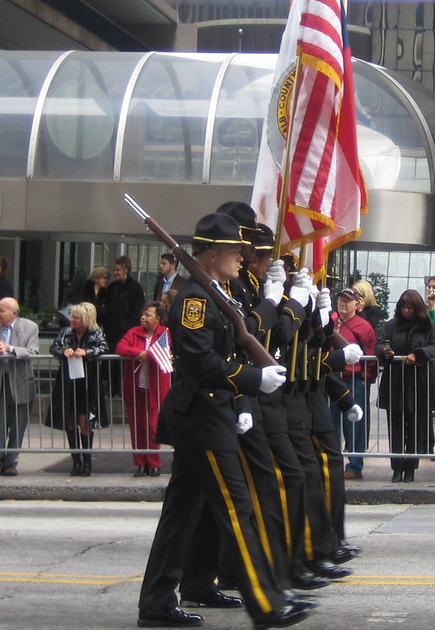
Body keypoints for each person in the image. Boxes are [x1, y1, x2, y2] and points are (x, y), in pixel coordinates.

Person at [137, 212, 312, 629]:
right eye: (235, 251)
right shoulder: (195, 298)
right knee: (238, 510)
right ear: (212, 253)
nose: (242, 257)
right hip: (203, 418)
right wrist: (253, 378)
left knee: (181, 516)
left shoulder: (217, 292)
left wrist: (277, 304)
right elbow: (200, 360)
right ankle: (266, 603)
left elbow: (239, 334)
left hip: (215, 414)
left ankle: (159, 602)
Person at [377, 289, 435, 483]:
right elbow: (379, 344)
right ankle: (396, 467)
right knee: (396, 427)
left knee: (416, 427)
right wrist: (386, 352)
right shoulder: (392, 325)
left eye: (410, 307)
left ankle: (411, 468)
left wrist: (418, 354)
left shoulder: (428, 325)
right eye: (403, 307)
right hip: (395, 380)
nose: (406, 311)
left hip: (419, 380)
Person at [0, 297, 40, 477]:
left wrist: (10, 349)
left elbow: (33, 351)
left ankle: (11, 462)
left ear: (14, 313)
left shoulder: (30, 327)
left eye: (1, 311)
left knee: (18, 424)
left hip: (20, 382)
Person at [48, 302, 108, 477]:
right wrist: (63, 351)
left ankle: (87, 461)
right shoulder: (66, 332)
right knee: (70, 419)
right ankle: (76, 461)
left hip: (88, 382)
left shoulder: (96, 332)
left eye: (76, 317)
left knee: (85, 421)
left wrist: (87, 352)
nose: (72, 320)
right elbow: (54, 346)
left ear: (85, 319)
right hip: (68, 380)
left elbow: (103, 347)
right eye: (72, 316)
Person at [116, 301, 171, 478]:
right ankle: (140, 463)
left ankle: (154, 463)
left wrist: (150, 355)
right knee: (137, 426)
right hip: (135, 388)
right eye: (143, 314)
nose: (143, 318)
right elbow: (120, 347)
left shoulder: (165, 333)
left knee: (152, 427)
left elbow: (167, 350)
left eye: (148, 315)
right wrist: (137, 353)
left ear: (158, 319)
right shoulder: (134, 333)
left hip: (154, 388)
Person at [331, 287, 377, 480]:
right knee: (331, 423)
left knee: (354, 425)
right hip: (332, 379)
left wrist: (365, 379)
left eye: (347, 301)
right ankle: (333, 462)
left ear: (356, 305)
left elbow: (371, 356)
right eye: (341, 300)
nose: (343, 304)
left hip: (353, 380)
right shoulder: (331, 320)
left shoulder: (364, 326)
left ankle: (355, 464)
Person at [82, 266, 111, 334]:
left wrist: (93, 307)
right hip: (84, 323)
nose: (107, 281)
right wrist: (99, 308)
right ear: (97, 277)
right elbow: (84, 306)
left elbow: (105, 311)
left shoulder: (104, 292)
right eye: (104, 278)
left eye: (108, 278)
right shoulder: (86, 288)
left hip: (97, 324)